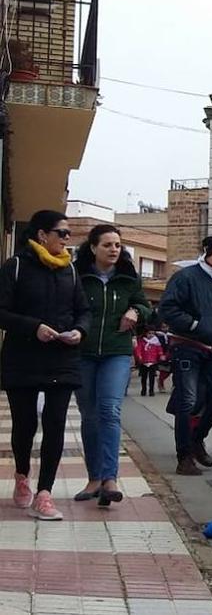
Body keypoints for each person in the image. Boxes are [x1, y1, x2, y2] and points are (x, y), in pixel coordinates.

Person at [0, 210, 90, 520]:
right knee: (25, 424)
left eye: (68, 234)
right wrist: (33, 326)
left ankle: (45, 494)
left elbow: (84, 310)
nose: (67, 239)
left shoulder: (71, 271)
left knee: (55, 423)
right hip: (22, 357)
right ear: (42, 235)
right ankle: (22, 475)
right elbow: (1, 311)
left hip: (62, 358)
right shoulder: (16, 266)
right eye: (61, 233)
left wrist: (80, 330)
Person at [72, 224, 152, 507]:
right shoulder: (77, 277)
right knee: (89, 414)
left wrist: (136, 311)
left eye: (117, 245)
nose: (114, 249)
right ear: (93, 247)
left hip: (116, 352)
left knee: (109, 409)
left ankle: (110, 479)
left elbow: (146, 307)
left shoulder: (129, 279)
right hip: (83, 352)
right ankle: (94, 478)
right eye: (107, 245)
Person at [158, 235, 212, 476]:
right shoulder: (186, 277)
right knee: (188, 401)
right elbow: (167, 308)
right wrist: (194, 325)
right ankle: (184, 457)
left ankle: (197, 439)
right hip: (188, 346)